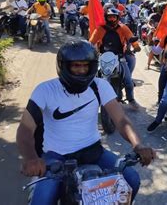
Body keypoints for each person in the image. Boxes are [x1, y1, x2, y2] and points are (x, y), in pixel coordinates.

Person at [16, 40, 156, 205]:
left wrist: (138, 145)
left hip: (94, 152)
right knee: (42, 201)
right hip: (56, 157)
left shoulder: (100, 86)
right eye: (76, 65)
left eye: (86, 66)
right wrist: (31, 158)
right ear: (64, 66)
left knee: (132, 180)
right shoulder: (45, 90)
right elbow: (25, 129)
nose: (82, 70)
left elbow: (121, 120)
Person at [89, 7, 141, 110]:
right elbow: (91, 42)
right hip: (103, 57)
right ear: (106, 18)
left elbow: (131, 38)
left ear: (118, 18)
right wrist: (88, 49)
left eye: (114, 17)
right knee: (93, 78)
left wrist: (136, 46)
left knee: (128, 81)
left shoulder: (123, 28)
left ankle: (131, 100)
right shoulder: (100, 29)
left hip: (119, 57)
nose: (112, 19)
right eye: (109, 17)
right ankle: (92, 100)